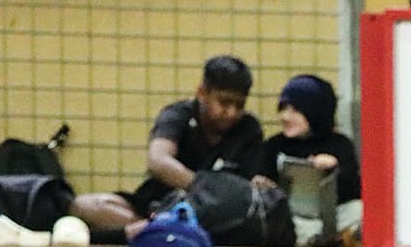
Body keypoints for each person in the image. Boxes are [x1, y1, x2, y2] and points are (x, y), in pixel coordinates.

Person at [70, 55, 264, 234]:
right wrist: (206, 190)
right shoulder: (178, 114)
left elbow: (251, 186)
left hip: (213, 219)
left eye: (239, 105)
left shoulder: (249, 129)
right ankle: (156, 228)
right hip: (158, 205)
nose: (231, 113)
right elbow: (158, 161)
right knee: (84, 206)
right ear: (202, 93)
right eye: (224, 102)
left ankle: (156, 232)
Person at [254, 74, 361, 204]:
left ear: (315, 112)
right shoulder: (274, 145)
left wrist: (333, 169)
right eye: (283, 108)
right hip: (285, 217)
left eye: (295, 111)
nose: (285, 116)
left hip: (334, 214)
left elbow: (354, 191)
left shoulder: (340, 145)